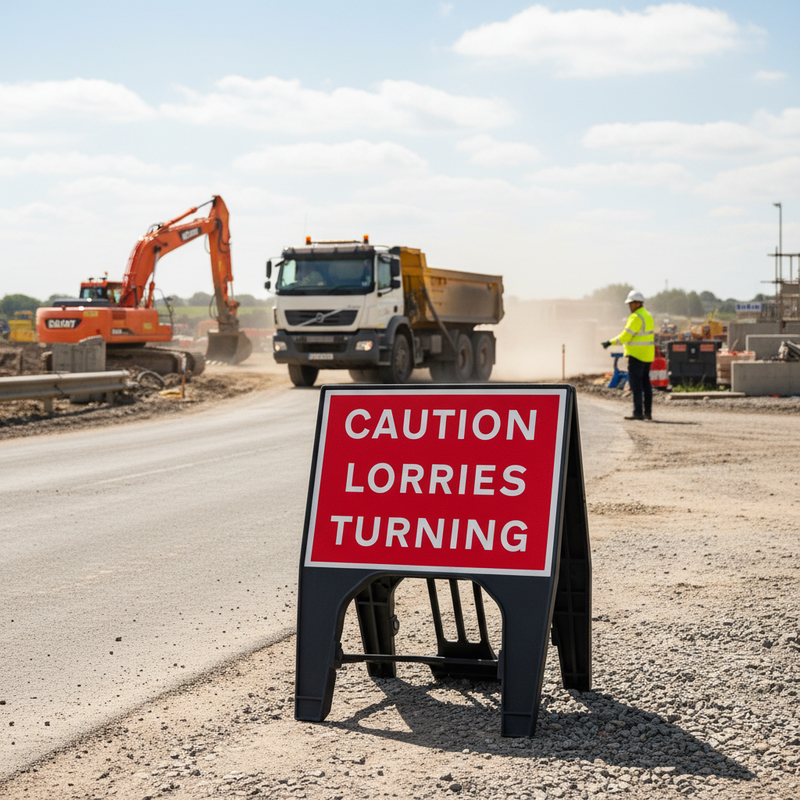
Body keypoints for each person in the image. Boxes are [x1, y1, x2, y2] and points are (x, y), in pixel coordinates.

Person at [602, 291, 655, 421]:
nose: (630, 307)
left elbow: (626, 336)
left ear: (637, 303)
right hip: (648, 355)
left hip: (636, 356)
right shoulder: (647, 315)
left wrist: (610, 342)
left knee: (636, 385)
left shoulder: (636, 317)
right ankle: (648, 413)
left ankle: (638, 413)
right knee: (646, 384)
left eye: (631, 304)